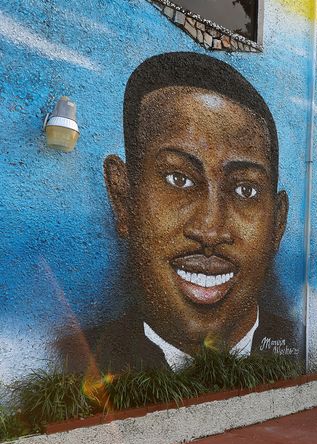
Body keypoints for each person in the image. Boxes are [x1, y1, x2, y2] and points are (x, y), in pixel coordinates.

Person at [58, 52, 299, 373]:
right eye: (179, 179)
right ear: (123, 196)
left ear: (277, 224)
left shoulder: (299, 343)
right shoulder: (76, 358)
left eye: (245, 190)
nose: (210, 229)